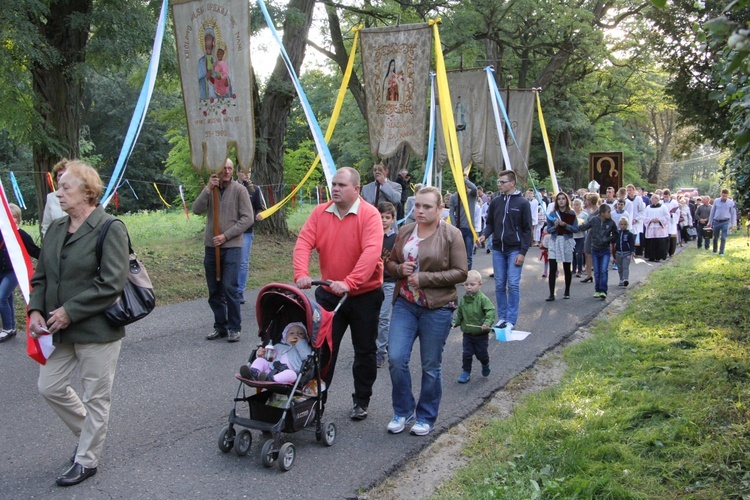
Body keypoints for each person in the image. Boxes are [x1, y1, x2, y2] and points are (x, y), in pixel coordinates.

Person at [28, 160, 130, 487]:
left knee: (96, 397)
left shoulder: (109, 227)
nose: (58, 194)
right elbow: (41, 277)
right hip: (60, 328)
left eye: (65, 187)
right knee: (50, 386)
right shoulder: (56, 229)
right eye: (58, 188)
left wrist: (69, 310)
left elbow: (112, 282)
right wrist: (35, 311)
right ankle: (90, 432)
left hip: (98, 330)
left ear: (87, 191)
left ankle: (87, 459)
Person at [293, 167, 383, 421]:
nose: (335, 189)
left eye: (342, 185)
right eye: (334, 184)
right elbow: (303, 242)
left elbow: (371, 252)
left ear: (356, 189)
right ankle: (315, 402)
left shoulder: (370, 215)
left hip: (365, 294)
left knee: (364, 350)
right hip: (329, 293)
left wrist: (350, 282)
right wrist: (301, 272)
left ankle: (361, 400)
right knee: (321, 349)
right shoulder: (320, 213)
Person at [385, 186, 468, 436]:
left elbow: (461, 272)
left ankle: (426, 416)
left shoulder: (452, 234)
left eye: (427, 206)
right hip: (405, 304)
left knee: (430, 366)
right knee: (396, 358)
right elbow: (390, 262)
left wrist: (424, 278)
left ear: (439, 208)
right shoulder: (406, 230)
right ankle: (403, 411)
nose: (420, 211)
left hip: (437, 308)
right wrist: (401, 271)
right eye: (417, 206)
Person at [192, 158, 254, 342]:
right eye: (223, 168)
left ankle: (235, 327)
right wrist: (207, 189)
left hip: (231, 246)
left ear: (233, 170)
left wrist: (226, 235)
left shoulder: (240, 190)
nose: (226, 171)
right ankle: (220, 326)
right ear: (217, 170)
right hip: (212, 247)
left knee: (229, 287)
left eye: (229, 168)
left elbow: (247, 218)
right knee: (214, 289)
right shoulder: (211, 190)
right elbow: (196, 209)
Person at [478, 171, 532, 332]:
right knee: (500, 284)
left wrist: (523, 252)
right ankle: (502, 317)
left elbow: (527, 230)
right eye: (498, 181)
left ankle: (511, 319)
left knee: (513, 285)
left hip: (515, 249)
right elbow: (490, 224)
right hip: (498, 249)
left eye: (502, 182)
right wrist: (484, 236)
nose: (499, 184)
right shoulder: (495, 202)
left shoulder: (522, 203)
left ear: (512, 183)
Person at [0, 203, 41, 343]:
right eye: (7, 217)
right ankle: (10, 328)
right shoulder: (1, 232)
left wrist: (50, 259)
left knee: (1, 297)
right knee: (7, 298)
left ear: (18, 219)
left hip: (13, 272)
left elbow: (34, 251)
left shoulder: (21, 234)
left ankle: (6, 328)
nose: (11, 219)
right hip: (1, 271)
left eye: (14, 217)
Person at [452, 270, 495, 384]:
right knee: (467, 353)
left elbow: (490, 311)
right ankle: (466, 372)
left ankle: (485, 363)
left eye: (472, 284)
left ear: (480, 284)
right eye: (466, 285)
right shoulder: (463, 300)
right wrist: (455, 322)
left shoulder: (482, 299)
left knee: (481, 354)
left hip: (481, 334)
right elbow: (460, 314)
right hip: (468, 333)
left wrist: (487, 323)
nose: (469, 287)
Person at [239, 323, 312, 383]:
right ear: (284, 337)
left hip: (288, 372)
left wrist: (301, 342)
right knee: (260, 361)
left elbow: (306, 356)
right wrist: (260, 354)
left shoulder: (304, 348)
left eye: (300, 333)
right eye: (291, 333)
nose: (296, 335)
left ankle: (270, 379)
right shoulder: (278, 346)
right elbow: (268, 357)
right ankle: (253, 373)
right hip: (270, 369)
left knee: (292, 375)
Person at [236, 169, 266, 304]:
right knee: (230, 261)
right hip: (231, 230)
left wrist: (259, 214)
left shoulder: (255, 189)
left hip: (247, 231)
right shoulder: (231, 187)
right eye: (243, 171)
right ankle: (229, 290)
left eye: (249, 172)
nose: (246, 174)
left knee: (243, 262)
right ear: (237, 173)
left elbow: (260, 207)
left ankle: (239, 291)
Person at [576, 204, 618, 299]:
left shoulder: (611, 222)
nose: (609, 214)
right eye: (608, 212)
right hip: (595, 249)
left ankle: (603, 290)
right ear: (602, 213)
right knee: (597, 271)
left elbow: (616, 234)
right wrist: (571, 226)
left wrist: (608, 239)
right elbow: (584, 227)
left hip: (605, 250)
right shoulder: (594, 220)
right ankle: (597, 290)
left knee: (603, 270)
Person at [376, 202, 398, 368]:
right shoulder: (372, 235)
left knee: (384, 317)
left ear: (393, 219)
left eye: (387, 217)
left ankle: (380, 352)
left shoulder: (396, 239)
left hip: (389, 282)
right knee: (372, 318)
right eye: (381, 216)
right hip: (372, 282)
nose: (383, 220)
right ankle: (377, 344)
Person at [545, 192, 578, 301]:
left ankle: (567, 291)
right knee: (553, 267)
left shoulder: (571, 213)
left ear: (566, 200)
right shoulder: (553, 214)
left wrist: (566, 225)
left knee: (566, 267)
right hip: (555, 241)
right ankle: (551, 293)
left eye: (563, 198)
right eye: (559, 199)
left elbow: (575, 229)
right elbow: (548, 230)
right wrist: (554, 226)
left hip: (566, 241)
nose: (561, 201)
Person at [449, 176, 478, 269]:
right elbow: (451, 212)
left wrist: (464, 180)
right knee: (457, 254)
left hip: (469, 229)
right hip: (458, 229)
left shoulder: (471, 195)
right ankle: (459, 274)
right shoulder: (454, 197)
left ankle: (468, 276)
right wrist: (454, 226)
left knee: (468, 255)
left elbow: (474, 188)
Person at [41, 158, 69, 239]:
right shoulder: (51, 197)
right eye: (60, 175)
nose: (63, 177)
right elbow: (46, 225)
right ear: (56, 179)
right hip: (55, 242)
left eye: (66, 174)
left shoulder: (78, 196)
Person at [707, 188, 738, 255]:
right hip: (716, 221)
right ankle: (714, 251)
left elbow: (733, 214)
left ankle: (721, 252)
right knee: (715, 237)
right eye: (723, 196)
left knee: (723, 237)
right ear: (721, 194)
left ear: (728, 195)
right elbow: (712, 212)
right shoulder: (716, 201)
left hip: (725, 222)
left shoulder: (730, 203)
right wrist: (710, 222)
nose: (724, 197)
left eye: (726, 196)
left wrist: (733, 224)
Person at [642, 194, 670, 262]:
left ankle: (658, 257)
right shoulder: (648, 207)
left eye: (654, 198)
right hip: (651, 227)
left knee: (659, 243)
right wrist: (650, 220)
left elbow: (667, 216)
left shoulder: (663, 207)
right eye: (651, 199)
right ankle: (651, 256)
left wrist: (659, 220)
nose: (652, 200)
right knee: (651, 243)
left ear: (657, 199)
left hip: (659, 228)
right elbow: (644, 217)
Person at [580, 192, 600, 283]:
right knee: (587, 253)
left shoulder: (599, 210)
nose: (585, 201)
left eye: (587, 200)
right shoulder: (589, 210)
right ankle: (588, 275)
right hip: (589, 234)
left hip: (597, 235)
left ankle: (598, 273)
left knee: (596, 254)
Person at [615, 217, 635, 287]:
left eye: (625, 224)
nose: (623, 226)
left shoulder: (629, 234)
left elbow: (632, 243)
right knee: (620, 267)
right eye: (621, 224)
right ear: (619, 225)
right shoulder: (617, 233)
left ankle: (625, 279)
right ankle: (621, 279)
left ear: (627, 225)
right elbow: (614, 242)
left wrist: (632, 251)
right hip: (618, 253)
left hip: (627, 253)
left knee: (625, 266)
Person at [571, 198, 588, 278]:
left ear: (580, 205)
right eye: (574, 204)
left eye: (577, 204)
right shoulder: (571, 214)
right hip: (572, 236)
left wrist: (580, 227)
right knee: (573, 253)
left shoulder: (584, 215)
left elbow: (586, 225)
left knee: (579, 253)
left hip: (581, 236)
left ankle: (580, 270)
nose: (575, 206)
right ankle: (573, 269)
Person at [662, 189, 679, 257]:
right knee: (665, 238)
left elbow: (677, 213)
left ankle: (671, 252)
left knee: (672, 238)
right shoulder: (661, 202)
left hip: (671, 222)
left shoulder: (674, 202)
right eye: (664, 197)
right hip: (664, 222)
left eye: (667, 197)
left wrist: (672, 214)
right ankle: (664, 251)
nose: (666, 198)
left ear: (669, 196)